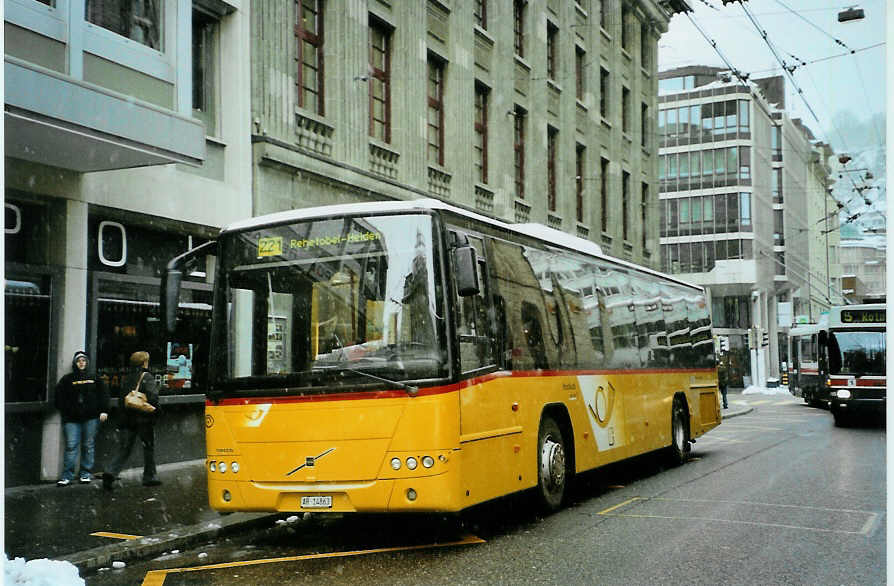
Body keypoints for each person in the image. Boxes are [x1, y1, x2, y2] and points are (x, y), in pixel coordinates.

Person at [103, 351, 161, 490]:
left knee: (124, 449)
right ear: (144, 363)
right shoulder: (147, 377)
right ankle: (149, 476)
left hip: (127, 419)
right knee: (148, 447)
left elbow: (121, 400)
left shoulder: (127, 378)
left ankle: (110, 472)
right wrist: (157, 411)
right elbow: (153, 398)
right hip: (143, 420)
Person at [55, 351, 109, 486]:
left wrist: (104, 410)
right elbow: (58, 398)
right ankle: (67, 476)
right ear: (75, 363)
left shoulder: (94, 378)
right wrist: (67, 410)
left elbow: (104, 395)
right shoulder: (67, 379)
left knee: (88, 445)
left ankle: (85, 473)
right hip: (72, 420)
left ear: (87, 362)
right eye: (79, 361)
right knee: (71, 446)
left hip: (91, 418)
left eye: (84, 360)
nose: (81, 363)